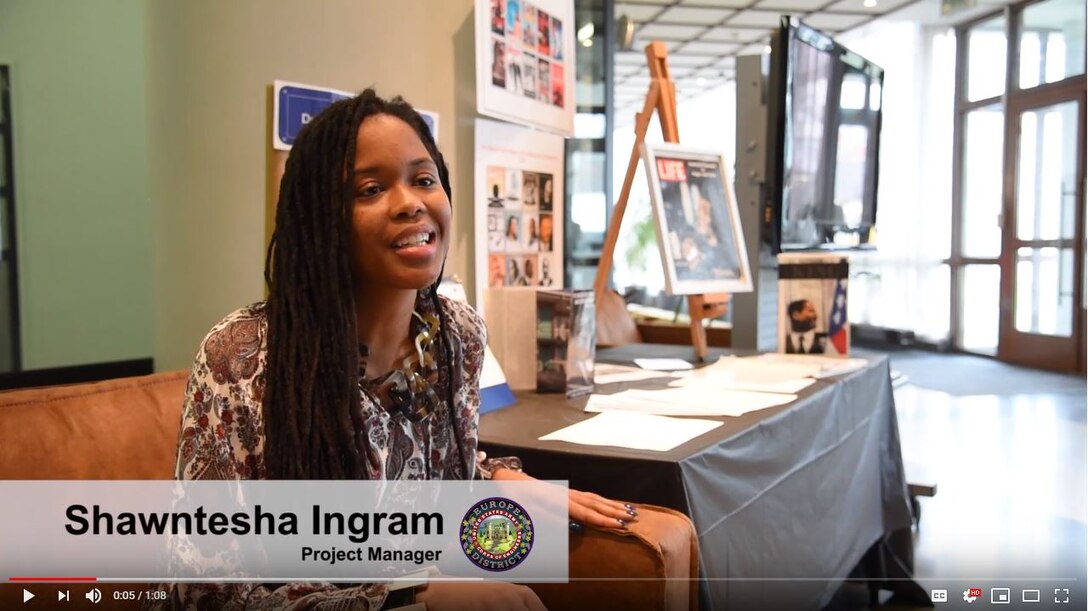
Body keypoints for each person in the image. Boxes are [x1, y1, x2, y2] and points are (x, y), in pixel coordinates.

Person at [166, 89, 635, 610]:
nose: (411, 201)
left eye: (424, 179)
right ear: (321, 221)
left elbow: (424, 484)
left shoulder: (458, 335)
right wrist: (415, 600)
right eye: (370, 189)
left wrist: (498, 478)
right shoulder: (241, 357)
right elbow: (202, 593)